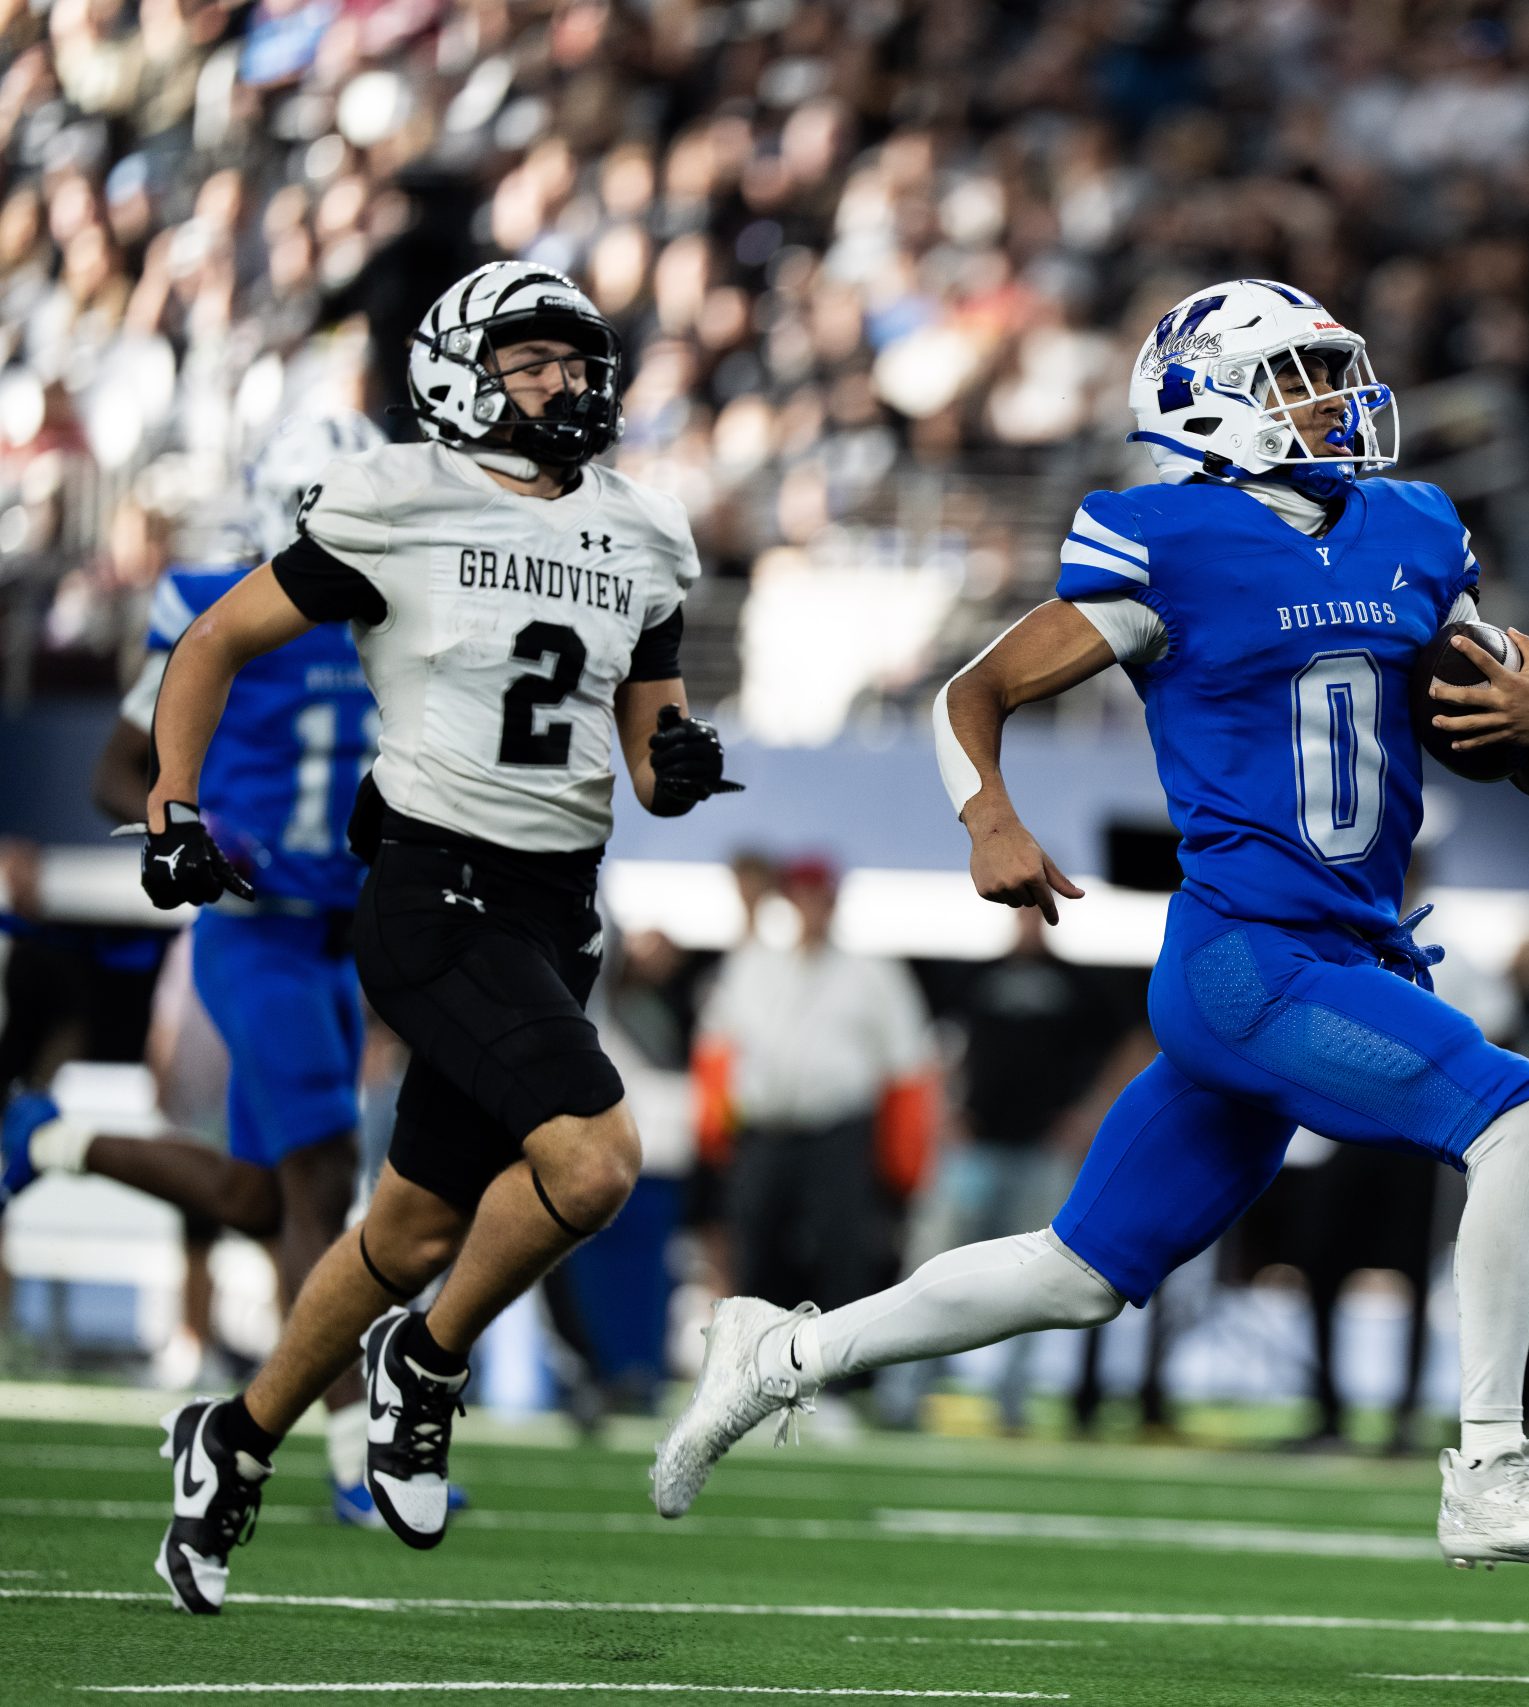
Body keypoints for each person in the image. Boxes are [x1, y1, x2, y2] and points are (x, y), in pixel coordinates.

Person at [657, 279, 1529, 1575]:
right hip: (1249, 961)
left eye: (1334, 371)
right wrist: (989, 819)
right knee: (1524, 1119)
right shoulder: (1168, 539)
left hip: (1343, 954)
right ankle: (1490, 1469)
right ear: (1210, 399)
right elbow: (975, 690)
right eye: (1299, 376)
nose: (1335, 398)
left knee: (1079, 1272)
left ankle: (778, 1351)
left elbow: (1521, 749)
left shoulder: (1414, 530)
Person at [124, 260, 741, 1614]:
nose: (565, 381)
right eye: (532, 360)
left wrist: (681, 764)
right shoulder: (395, 498)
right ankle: (428, 1362)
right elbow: (212, 641)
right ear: (460, 377)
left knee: (405, 1230)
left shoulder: (643, 530)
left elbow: (649, 755)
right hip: (428, 887)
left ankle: (234, 1438)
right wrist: (173, 808)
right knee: (594, 1160)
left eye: (575, 358)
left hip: (555, 909)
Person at [5, 410, 394, 1525]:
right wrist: (191, 823)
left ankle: (49, 1138)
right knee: (322, 1180)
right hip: (253, 932)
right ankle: (353, 1457)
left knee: (263, 1197)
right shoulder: (221, 608)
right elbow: (116, 771)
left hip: (335, 938)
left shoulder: (393, 609)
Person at [881, 907, 1150, 1433]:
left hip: (1041, 1153)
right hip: (974, 1151)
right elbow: (935, 1046)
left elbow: (1135, 1042)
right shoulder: (976, 975)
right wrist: (945, 1113)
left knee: (1035, 1282)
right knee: (933, 1270)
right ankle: (904, 1395)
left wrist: (1090, 1115)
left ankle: (1011, 1401)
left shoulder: (1079, 983)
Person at [696, 857, 933, 1357]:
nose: (809, 909)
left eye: (818, 898)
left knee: (842, 1249)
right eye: (801, 897)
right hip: (764, 1131)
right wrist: (716, 1130)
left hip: (837, 1132)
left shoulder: (871, 972)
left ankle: (838, 1367)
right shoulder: (755, 965)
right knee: (754, 1246)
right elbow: (718, 1047)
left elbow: (908, 1061)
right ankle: (753, 1362)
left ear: (833, 902)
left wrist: (904, 1154)